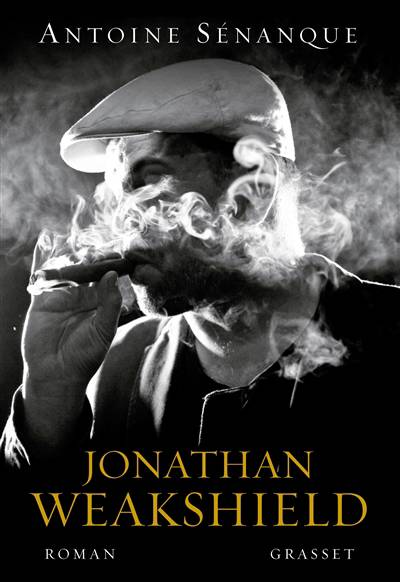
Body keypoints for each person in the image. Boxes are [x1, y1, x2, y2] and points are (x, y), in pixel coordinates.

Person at [1, 59, 399, 474]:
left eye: (150, 185)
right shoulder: (113, 367)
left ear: (252, 193)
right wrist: (49, 392)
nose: (123, 224)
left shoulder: (390, 337)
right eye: (118, 197)